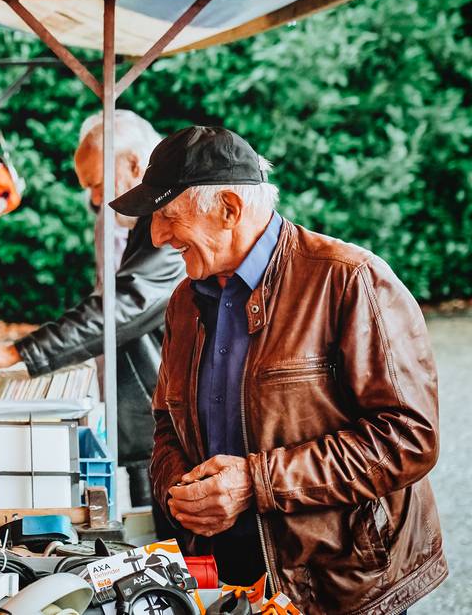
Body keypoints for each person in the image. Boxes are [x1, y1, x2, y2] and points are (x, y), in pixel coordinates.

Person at [110, 125, 445, 612]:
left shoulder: (349, 279)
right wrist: (176, 489)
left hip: (340, 581)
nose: (158, 237)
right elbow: (166, 422)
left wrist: (255, 482)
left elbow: (409, 438)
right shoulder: (185, 300)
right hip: (228, 575)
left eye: (167, 216)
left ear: (229, 208)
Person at [0, 110, 186, 507]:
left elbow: (123, 305)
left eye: (97, 185)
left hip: (164, 418)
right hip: (147, 415)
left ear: (132, 164)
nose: (95, 200)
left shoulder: (167, 221)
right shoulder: (134, 221)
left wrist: (19, 351)